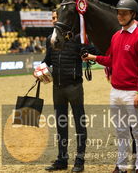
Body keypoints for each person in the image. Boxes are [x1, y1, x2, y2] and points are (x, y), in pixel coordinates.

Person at [83, 0, 138, 173]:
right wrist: (93, 58)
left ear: (133, 14)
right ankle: (121, 166)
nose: (120, 16)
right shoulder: (116, 36)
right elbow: (111, 60)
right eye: (119, 13)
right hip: (115, 91)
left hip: (131, 93)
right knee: (121, 132)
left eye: (124, 13)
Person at [38, 9, 96, 172]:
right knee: (60, 125)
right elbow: (48, 60)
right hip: (57, 88)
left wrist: (87, 51)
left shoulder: (79, 38)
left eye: (57, 17)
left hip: (74, 87)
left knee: (79, 124)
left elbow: (95, 52)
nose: (54, 20)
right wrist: (41, 68)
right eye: (53, 18)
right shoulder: (51, 39)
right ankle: (62, 159)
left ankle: (79, 160)